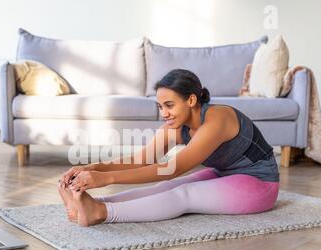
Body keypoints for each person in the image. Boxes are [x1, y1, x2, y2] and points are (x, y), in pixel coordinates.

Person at [57, 69, 280, 227]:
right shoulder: (174, 127)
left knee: (184, 194)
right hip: (223, 174)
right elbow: (143, 159)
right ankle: (90, 206)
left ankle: (101, 213)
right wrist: (94, 168)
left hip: (260, 183)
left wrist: (106, 179)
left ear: (191, 100)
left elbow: (172, 167)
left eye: (170, 105)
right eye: (161, 106)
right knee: (165, 187)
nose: (164, 113)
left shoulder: (217, 118)